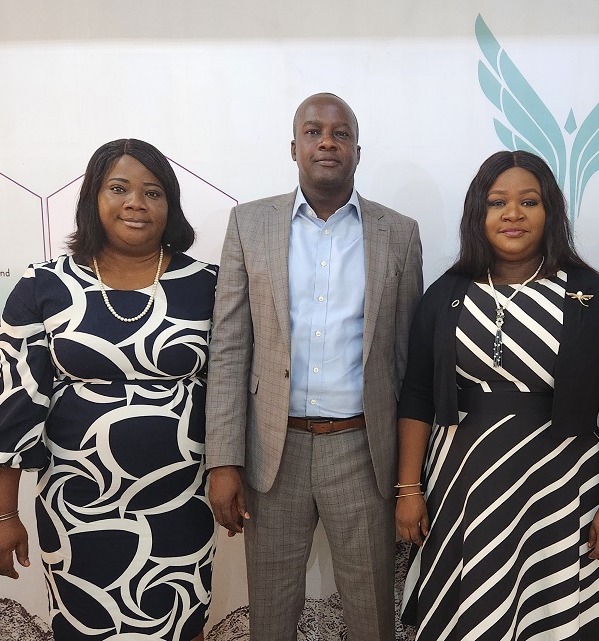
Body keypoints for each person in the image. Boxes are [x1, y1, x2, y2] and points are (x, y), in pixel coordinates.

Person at [0, 138, 218, 641]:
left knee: (180, 623)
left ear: (171, 205)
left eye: (153, 192)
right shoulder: (44, 284)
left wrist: (231, 472)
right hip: (77, 506)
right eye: (119, 188)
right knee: (86, 624)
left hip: (180, 500)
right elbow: (9, 399)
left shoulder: (210, 284)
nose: (136, 203)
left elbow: (233, 393)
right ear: (93, 198)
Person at [396, 150, 599, 640]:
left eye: (529, 201)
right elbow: (418, 394)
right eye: (497, 202)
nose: (513, 214)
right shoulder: (445, 294)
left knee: (556, 614)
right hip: (464, 486)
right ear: (478, 213)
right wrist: (408, 489)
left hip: (563, 487)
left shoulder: (590, 295)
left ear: (550, 211)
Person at [204, 93, 423, 641]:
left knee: (373, 613)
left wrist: (409, 476)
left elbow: (407, 360)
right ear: (294, 146)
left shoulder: (399, 232)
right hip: (273, 453)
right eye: (313, 131)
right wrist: (223, 460)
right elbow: (229, 348)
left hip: (363, 451)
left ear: (357, 150)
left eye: (340, 133)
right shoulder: (249, 224)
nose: (327, 142)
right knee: (271, 613)